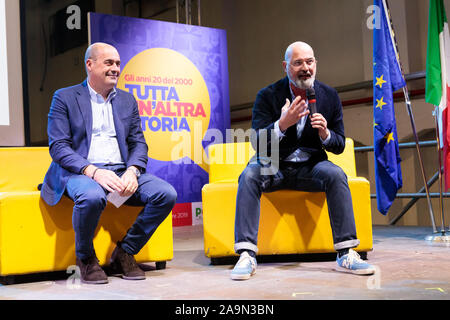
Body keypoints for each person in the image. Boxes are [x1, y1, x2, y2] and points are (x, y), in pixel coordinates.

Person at [231, 41, 375, 280]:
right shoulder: (268, 95)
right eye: (298, 63)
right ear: (286, 66)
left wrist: (326, 134)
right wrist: (282, 124)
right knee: (249, 175)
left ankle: (346, 253)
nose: (305, 68)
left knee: (336, 174)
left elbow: (338, 144)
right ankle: (246, 254)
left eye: (309, 62)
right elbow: (257, 142)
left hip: (311, 166)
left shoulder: (329, 95)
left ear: (315, 64)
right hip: (274, 164)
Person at [40, 42, 177, 284]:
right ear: (89, 65)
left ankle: (125, 252)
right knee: (92, 196)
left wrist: (133, 171)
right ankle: (86, 258)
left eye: (117, 63)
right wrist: (93, 171)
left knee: (165, 194)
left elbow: (138, 143)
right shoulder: (64, 97)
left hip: (121, 170)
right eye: (109, 63)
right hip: (80, 171)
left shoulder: (127, 100)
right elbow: (59, 147)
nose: (115, 68)